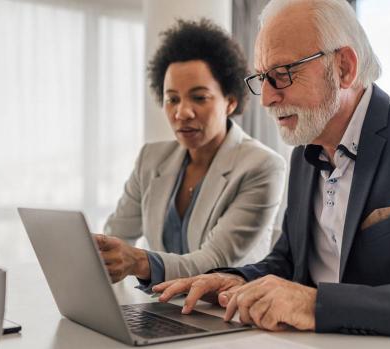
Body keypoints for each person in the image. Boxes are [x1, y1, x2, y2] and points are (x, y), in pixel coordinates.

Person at [151, 1, 390, 347]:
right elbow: (289, 264)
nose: (267, 98)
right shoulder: (306, 153)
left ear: (344, 66)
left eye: (283, 73)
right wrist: (238, 279)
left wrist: (319, 305)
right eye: (262, 78)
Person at [95, 19, 286, 290]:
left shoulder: (262, 167)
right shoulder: (151, 159)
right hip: (163, 309)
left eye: (199, 97)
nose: (181, 112)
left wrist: (138, 261)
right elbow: (116, 236)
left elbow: (214, 263)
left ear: (230, 101)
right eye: (172, 99)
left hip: (226, 315)